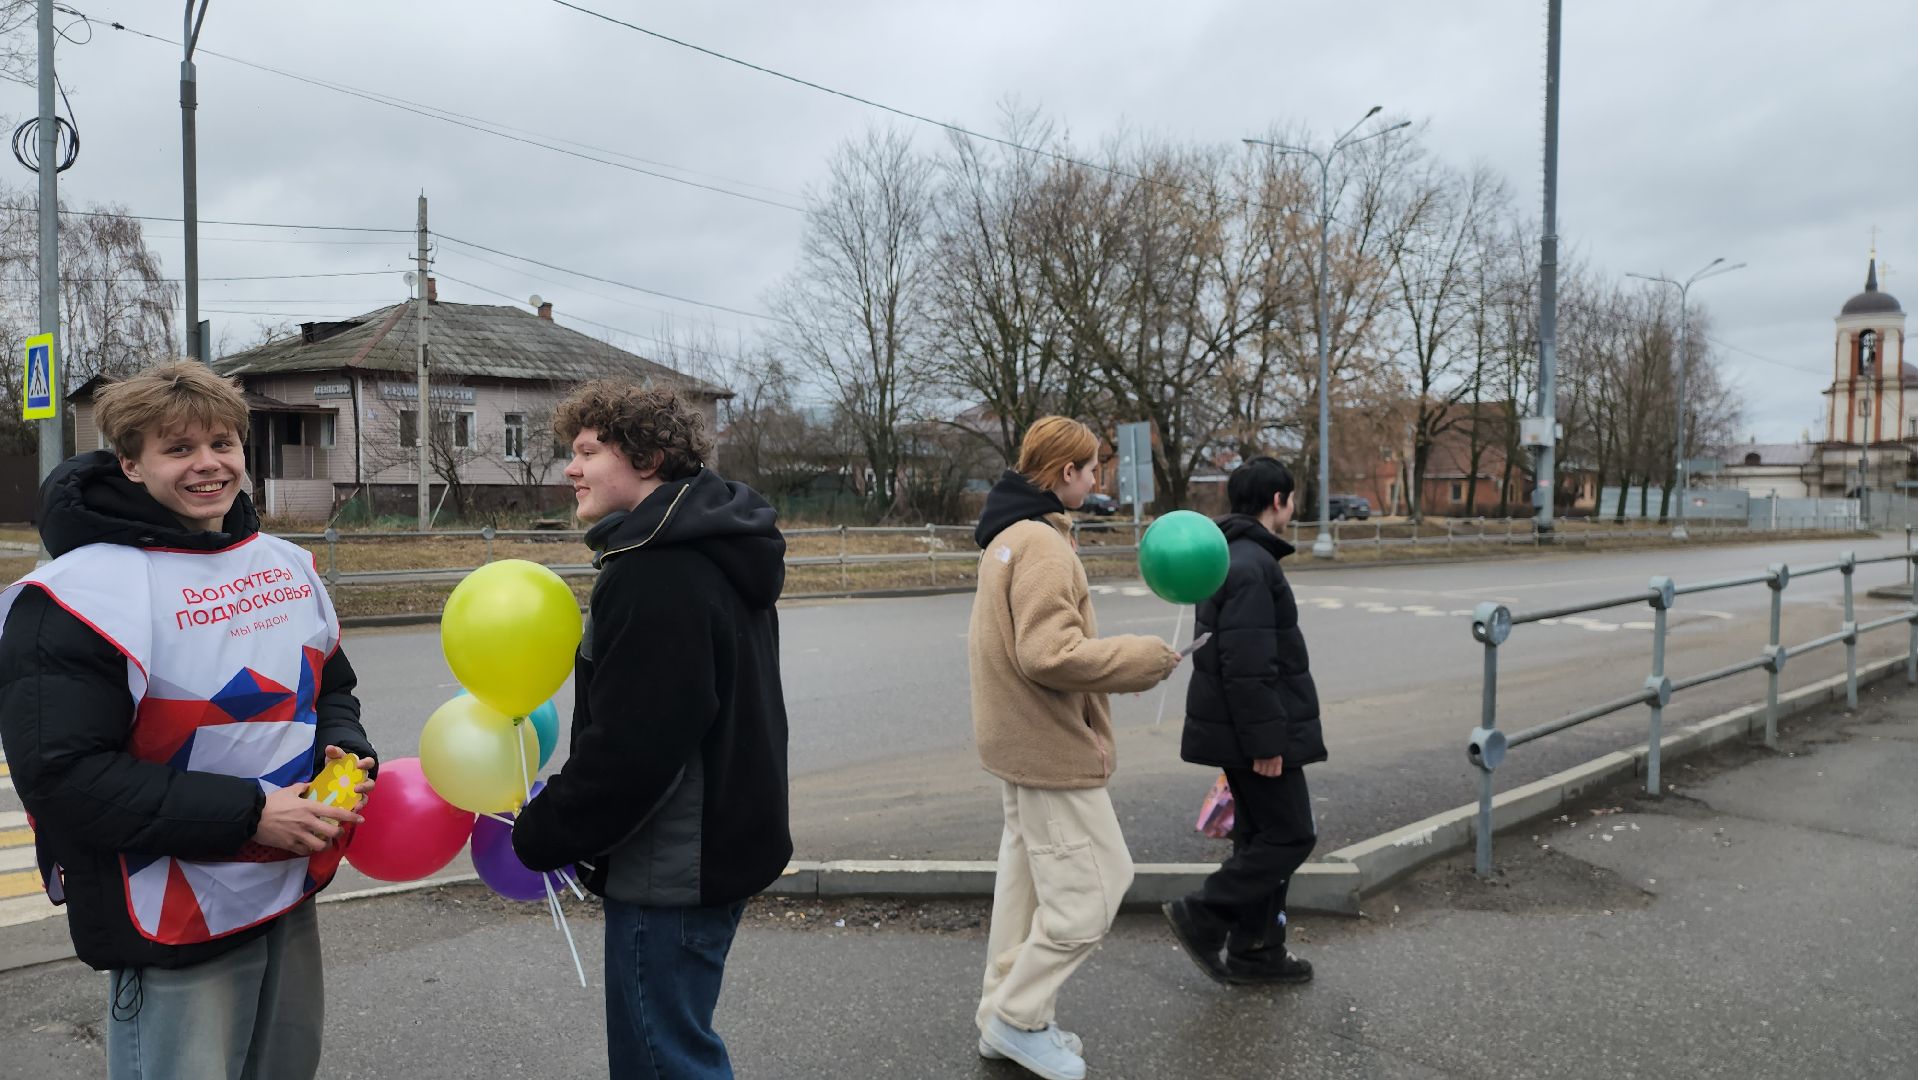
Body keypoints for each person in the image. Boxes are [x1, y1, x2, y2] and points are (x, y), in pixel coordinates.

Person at [0, 359, 376, 1080]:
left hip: (285, 887)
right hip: (169, 913)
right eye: (178, 450)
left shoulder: (285, 563)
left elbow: (331, 687)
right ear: (131, 465)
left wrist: (346, 752)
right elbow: (64, 777)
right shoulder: (77, 596)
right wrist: (250, 816)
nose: (208, 466)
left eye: (223, 445)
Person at [511, 379, 790, 1080]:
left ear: (649, 456)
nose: (570, 469)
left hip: (672, 864)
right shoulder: (715, 544)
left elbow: (635, 746)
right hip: (718, 846)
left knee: (662, 1061)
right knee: (678, 1042)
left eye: (586, 452)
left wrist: (548, 829)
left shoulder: (656, 570)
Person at [968, 416, 1183, 1080]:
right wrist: (1141, 658)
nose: (1097, 480)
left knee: (1027, 892)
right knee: (1095, 889)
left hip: (1017, 743)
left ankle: (1002, 1017)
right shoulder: (1043, 545)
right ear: (1066, 473)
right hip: (1051, 748)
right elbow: (1047, 653)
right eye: (1092, 470)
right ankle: (1019, 1017)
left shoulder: (1007, 536)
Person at [1163, 456, 1324, 986]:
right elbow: (1249, 666)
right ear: (1278, 500)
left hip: (1237, 730)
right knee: (1290, 836)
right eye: (1292, 498)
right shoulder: (1254, 564)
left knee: (1259, 838)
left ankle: (1257, 950)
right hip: (1255, 733)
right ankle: (1204, 913)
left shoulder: (1225, 556)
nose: (1292, 507)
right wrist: (1266, 742)